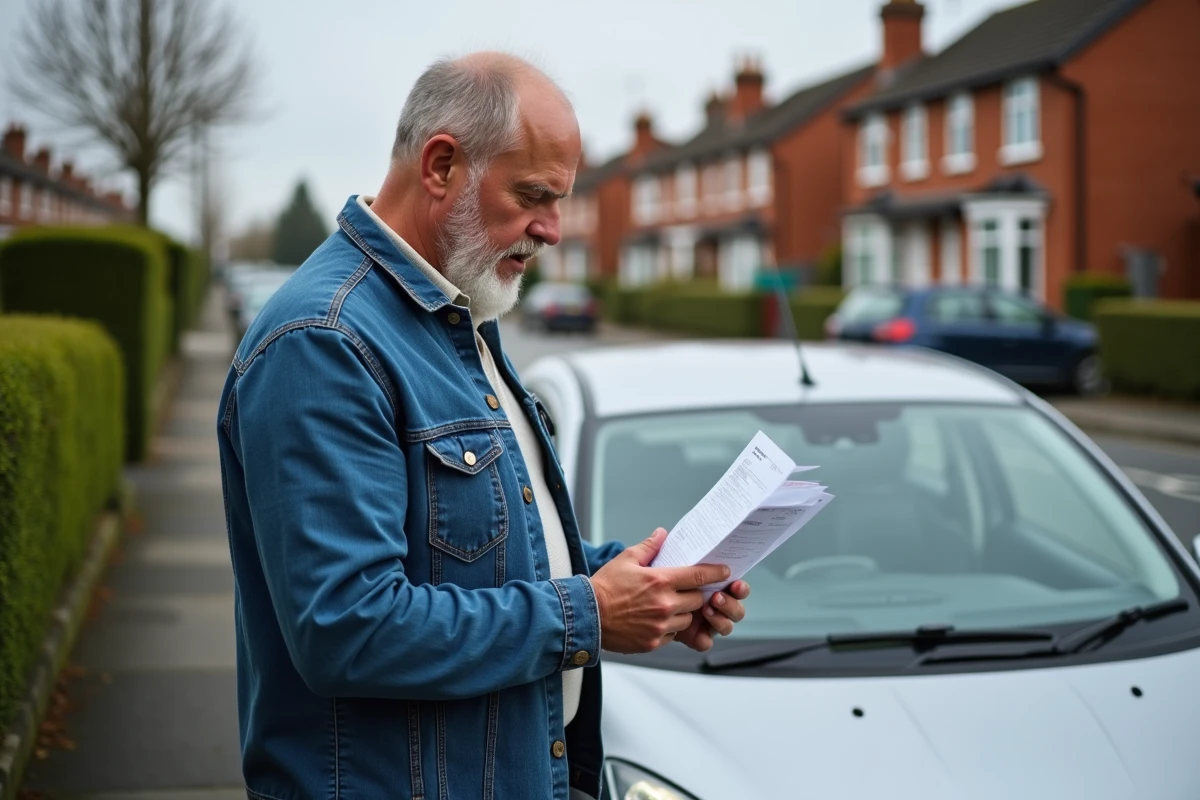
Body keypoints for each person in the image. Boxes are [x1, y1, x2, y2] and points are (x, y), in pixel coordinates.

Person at [216, 51, 750, 800]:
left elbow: (483, 558)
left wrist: (642, 586)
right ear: (441, 165)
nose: (554, 230)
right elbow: (348, 628)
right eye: (534, 194)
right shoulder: (324, 341)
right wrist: (590, 613)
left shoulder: (458, 316)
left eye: (561, 199)